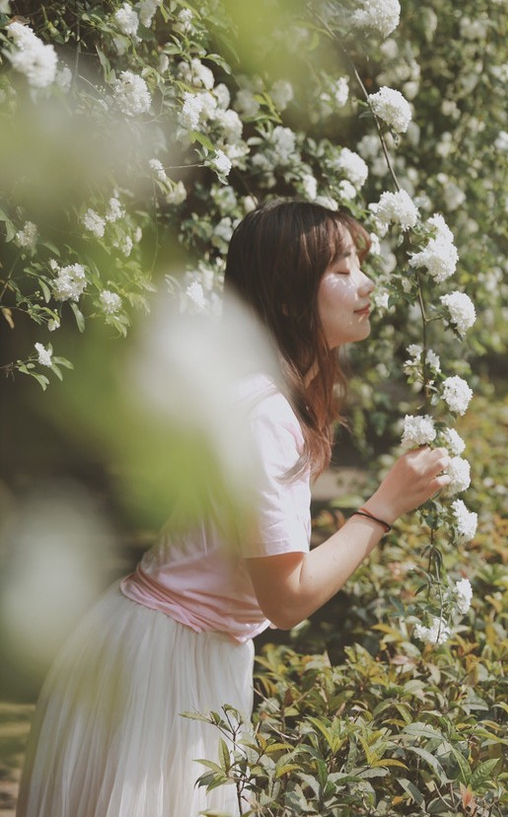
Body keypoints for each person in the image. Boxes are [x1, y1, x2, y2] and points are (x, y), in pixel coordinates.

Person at [17, 199, 454, 817]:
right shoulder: (266, 414)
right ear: (287, 297)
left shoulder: (263, 396)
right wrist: (385, 506)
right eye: (341, 269)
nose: (366, 284)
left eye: (360, 266)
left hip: (163, 647)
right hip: (167, 667)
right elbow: (287, 599)